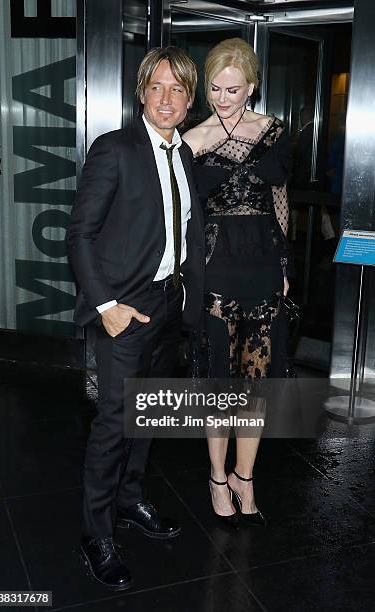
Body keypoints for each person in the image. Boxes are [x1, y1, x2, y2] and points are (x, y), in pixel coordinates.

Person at [67, 47, 203, 589]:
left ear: (189, 100)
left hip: (169, 305)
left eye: (178, 89)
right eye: (157, 87)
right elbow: (80, 236)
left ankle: (130, 501)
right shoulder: (115, 149)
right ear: (141, 93)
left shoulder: (185, 156)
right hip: (126, 307)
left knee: (146, 416)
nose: (166, 99)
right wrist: (107, 307)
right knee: (112, 424)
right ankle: (96, 532)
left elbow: (187, 232)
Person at [183, 38, 291, 528]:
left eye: (233, 89)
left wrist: (285, 265)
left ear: (251, 87)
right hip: (215, 264)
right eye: (215, 88)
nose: (222, 98)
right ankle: (216, 476)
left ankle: (245, 477)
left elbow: (280, 199)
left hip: (264, 263)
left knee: (256, 380)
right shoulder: (193, 139)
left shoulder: (272, 131)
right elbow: (183, 213)